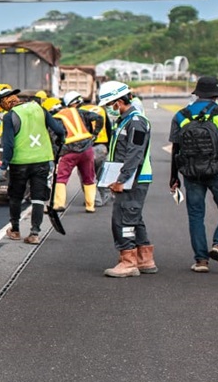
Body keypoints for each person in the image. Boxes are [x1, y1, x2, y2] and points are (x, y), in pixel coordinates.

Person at [169, 76, 218, 274]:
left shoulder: (180, 115)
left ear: (196, 93)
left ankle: (201, 261)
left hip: (190, 172)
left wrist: (173, 177)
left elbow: (176, 148)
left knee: (195, 215)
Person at [97, 81, 155, 277]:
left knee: (123, 219)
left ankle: (128, 262)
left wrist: (122, 179)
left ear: (119, 101)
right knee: (134, 217)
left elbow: (135, 153)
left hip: (133, 178)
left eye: (109, 105)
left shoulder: (136, 122)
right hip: (127, 177)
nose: (109, 109)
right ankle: (145, 259)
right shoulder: (122, 121)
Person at [0, 85, 66, 245]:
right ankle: (35, 233)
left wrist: (3, 166)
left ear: (4, 103)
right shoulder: (39, 108)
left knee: (16, 196)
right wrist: (60, 140)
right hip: (42, 160)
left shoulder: (10, 116)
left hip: (19, 163)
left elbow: (9, 144)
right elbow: (58, 130)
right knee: (38, 197)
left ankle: (15, 229)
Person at [53, 91, 103, 213]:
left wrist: (56, 155)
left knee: (61, 177)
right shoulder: (82, 113)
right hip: (87, 150)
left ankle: (59, 204)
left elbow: (55, 137)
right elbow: (99, 118)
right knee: (89, 177)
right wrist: (95, 134)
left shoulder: (59, 116)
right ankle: (90, 206)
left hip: (69, 151)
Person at [82, 97, 113, 207]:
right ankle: (105, 195)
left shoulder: (79, 111)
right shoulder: (101, 110)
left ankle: (94, 200)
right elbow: (109, 129)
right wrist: (108, 147)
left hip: (86, 148)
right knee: (101, 174)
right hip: (102, 146)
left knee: (87, 175)